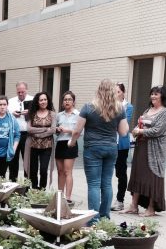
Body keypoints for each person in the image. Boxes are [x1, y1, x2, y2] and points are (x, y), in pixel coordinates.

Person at [69, 79, 128, 223]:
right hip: (111, 149)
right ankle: (105, 217)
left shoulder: (88, 107)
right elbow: (124, 132)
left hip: (93, 149)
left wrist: (72, 142)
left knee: (94, 184)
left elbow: (77, 130)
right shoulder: (119, 108)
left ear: (98, 90)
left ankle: (93, 220)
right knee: (107, 183)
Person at [125, 85, 166, 217]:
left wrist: (140, 131)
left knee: (151, 177)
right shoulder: (148, 109)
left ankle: (151, 208)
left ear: (162, 96)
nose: (153, 96)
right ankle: (133, 206)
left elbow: (158, 130)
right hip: (141, 147)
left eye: (156, 94)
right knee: (137, 175)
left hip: (155, 151)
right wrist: (136, 129)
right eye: (152, 94)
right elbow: (140, 123)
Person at [24, 92, 56, 190]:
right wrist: (45, 129)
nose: (43, 102)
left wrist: (37, 133)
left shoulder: (52, 114)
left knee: (43, 169)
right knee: (33, 170)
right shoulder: (32, 114)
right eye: (41, 100)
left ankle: (42, 189)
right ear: (37, 102)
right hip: (33, 146)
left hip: (47, 147)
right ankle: (34, 188)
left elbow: (53, 130)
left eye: (45, 99)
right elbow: (29, 129)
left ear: (48, 101)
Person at [54, 90, 80, 204]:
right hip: (60, 143)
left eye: (69, 99)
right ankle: (60, 195)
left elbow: (80, 132)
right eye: (65, 99)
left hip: (71, 143)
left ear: (73, 102)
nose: (67, 101)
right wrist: (57, 129)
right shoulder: (59, 115)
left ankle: (68, 197)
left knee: (67, 171)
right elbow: (55, 130)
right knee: (60, 171)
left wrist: (68, 130)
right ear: (62, 102)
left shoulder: (78, 114)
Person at [112, 82, 134, 211]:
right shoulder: (109, 105)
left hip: (121, 144)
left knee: (121, 172)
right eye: (114, 92)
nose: (116, 95)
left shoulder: (128, 107)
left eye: (118, 92)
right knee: (111, 171)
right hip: (109, 142)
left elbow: (123, 124)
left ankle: (120, 200)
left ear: (123, 93)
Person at [6, 81, 32, 180]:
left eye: (23, 92)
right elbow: (5, 115)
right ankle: (13, 182)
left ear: (26, 90)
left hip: (27, 134)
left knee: (27, 160)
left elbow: (39, 114)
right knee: (13, 160)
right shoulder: (11, 101)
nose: (21, 94)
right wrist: (12, 113)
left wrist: (30, 113)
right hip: (14, 134)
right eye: (19, 92)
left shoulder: (33, 100)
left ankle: (27, 184)